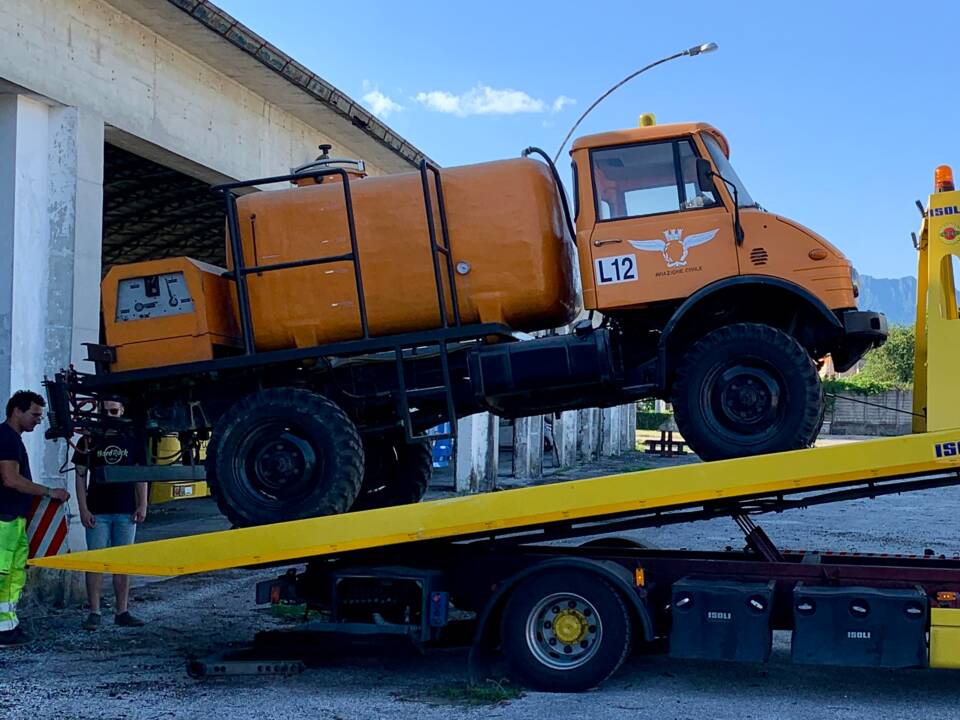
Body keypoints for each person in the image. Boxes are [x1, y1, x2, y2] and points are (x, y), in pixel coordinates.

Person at [0, 390, 70, 646]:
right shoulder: (6, 438)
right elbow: (11, 479)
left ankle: (6, 628)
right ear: (16, 411)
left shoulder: (12, 439)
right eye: (35, 415)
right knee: (2, 573)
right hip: (3, 521)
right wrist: (49, 491)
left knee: (13, 575)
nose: (39, 421)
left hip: (13, 519)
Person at [74, 398, 147, 630]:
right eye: (105, 411)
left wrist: (142, 504)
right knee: (95, 562)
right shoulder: (88, 439)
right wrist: (83, 509)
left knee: (123, 563)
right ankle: (94, 612)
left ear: (122, 410)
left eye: (114, 410)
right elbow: (80, 476)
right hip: (98, 510)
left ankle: (122, 611)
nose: (109, 415)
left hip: (125, 510)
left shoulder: (133, 439)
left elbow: (140, 475)